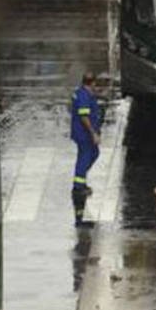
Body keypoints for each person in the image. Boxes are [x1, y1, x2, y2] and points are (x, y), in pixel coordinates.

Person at [70, 72, 102, 225]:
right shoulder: (84, 96)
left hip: (83, 134)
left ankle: (80, 180)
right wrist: (93, 133)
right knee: (85, 157)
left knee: (93, 154)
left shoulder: (83, 93)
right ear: (93, 83)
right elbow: (84, 117)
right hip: (84, 135)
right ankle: (79, 186)